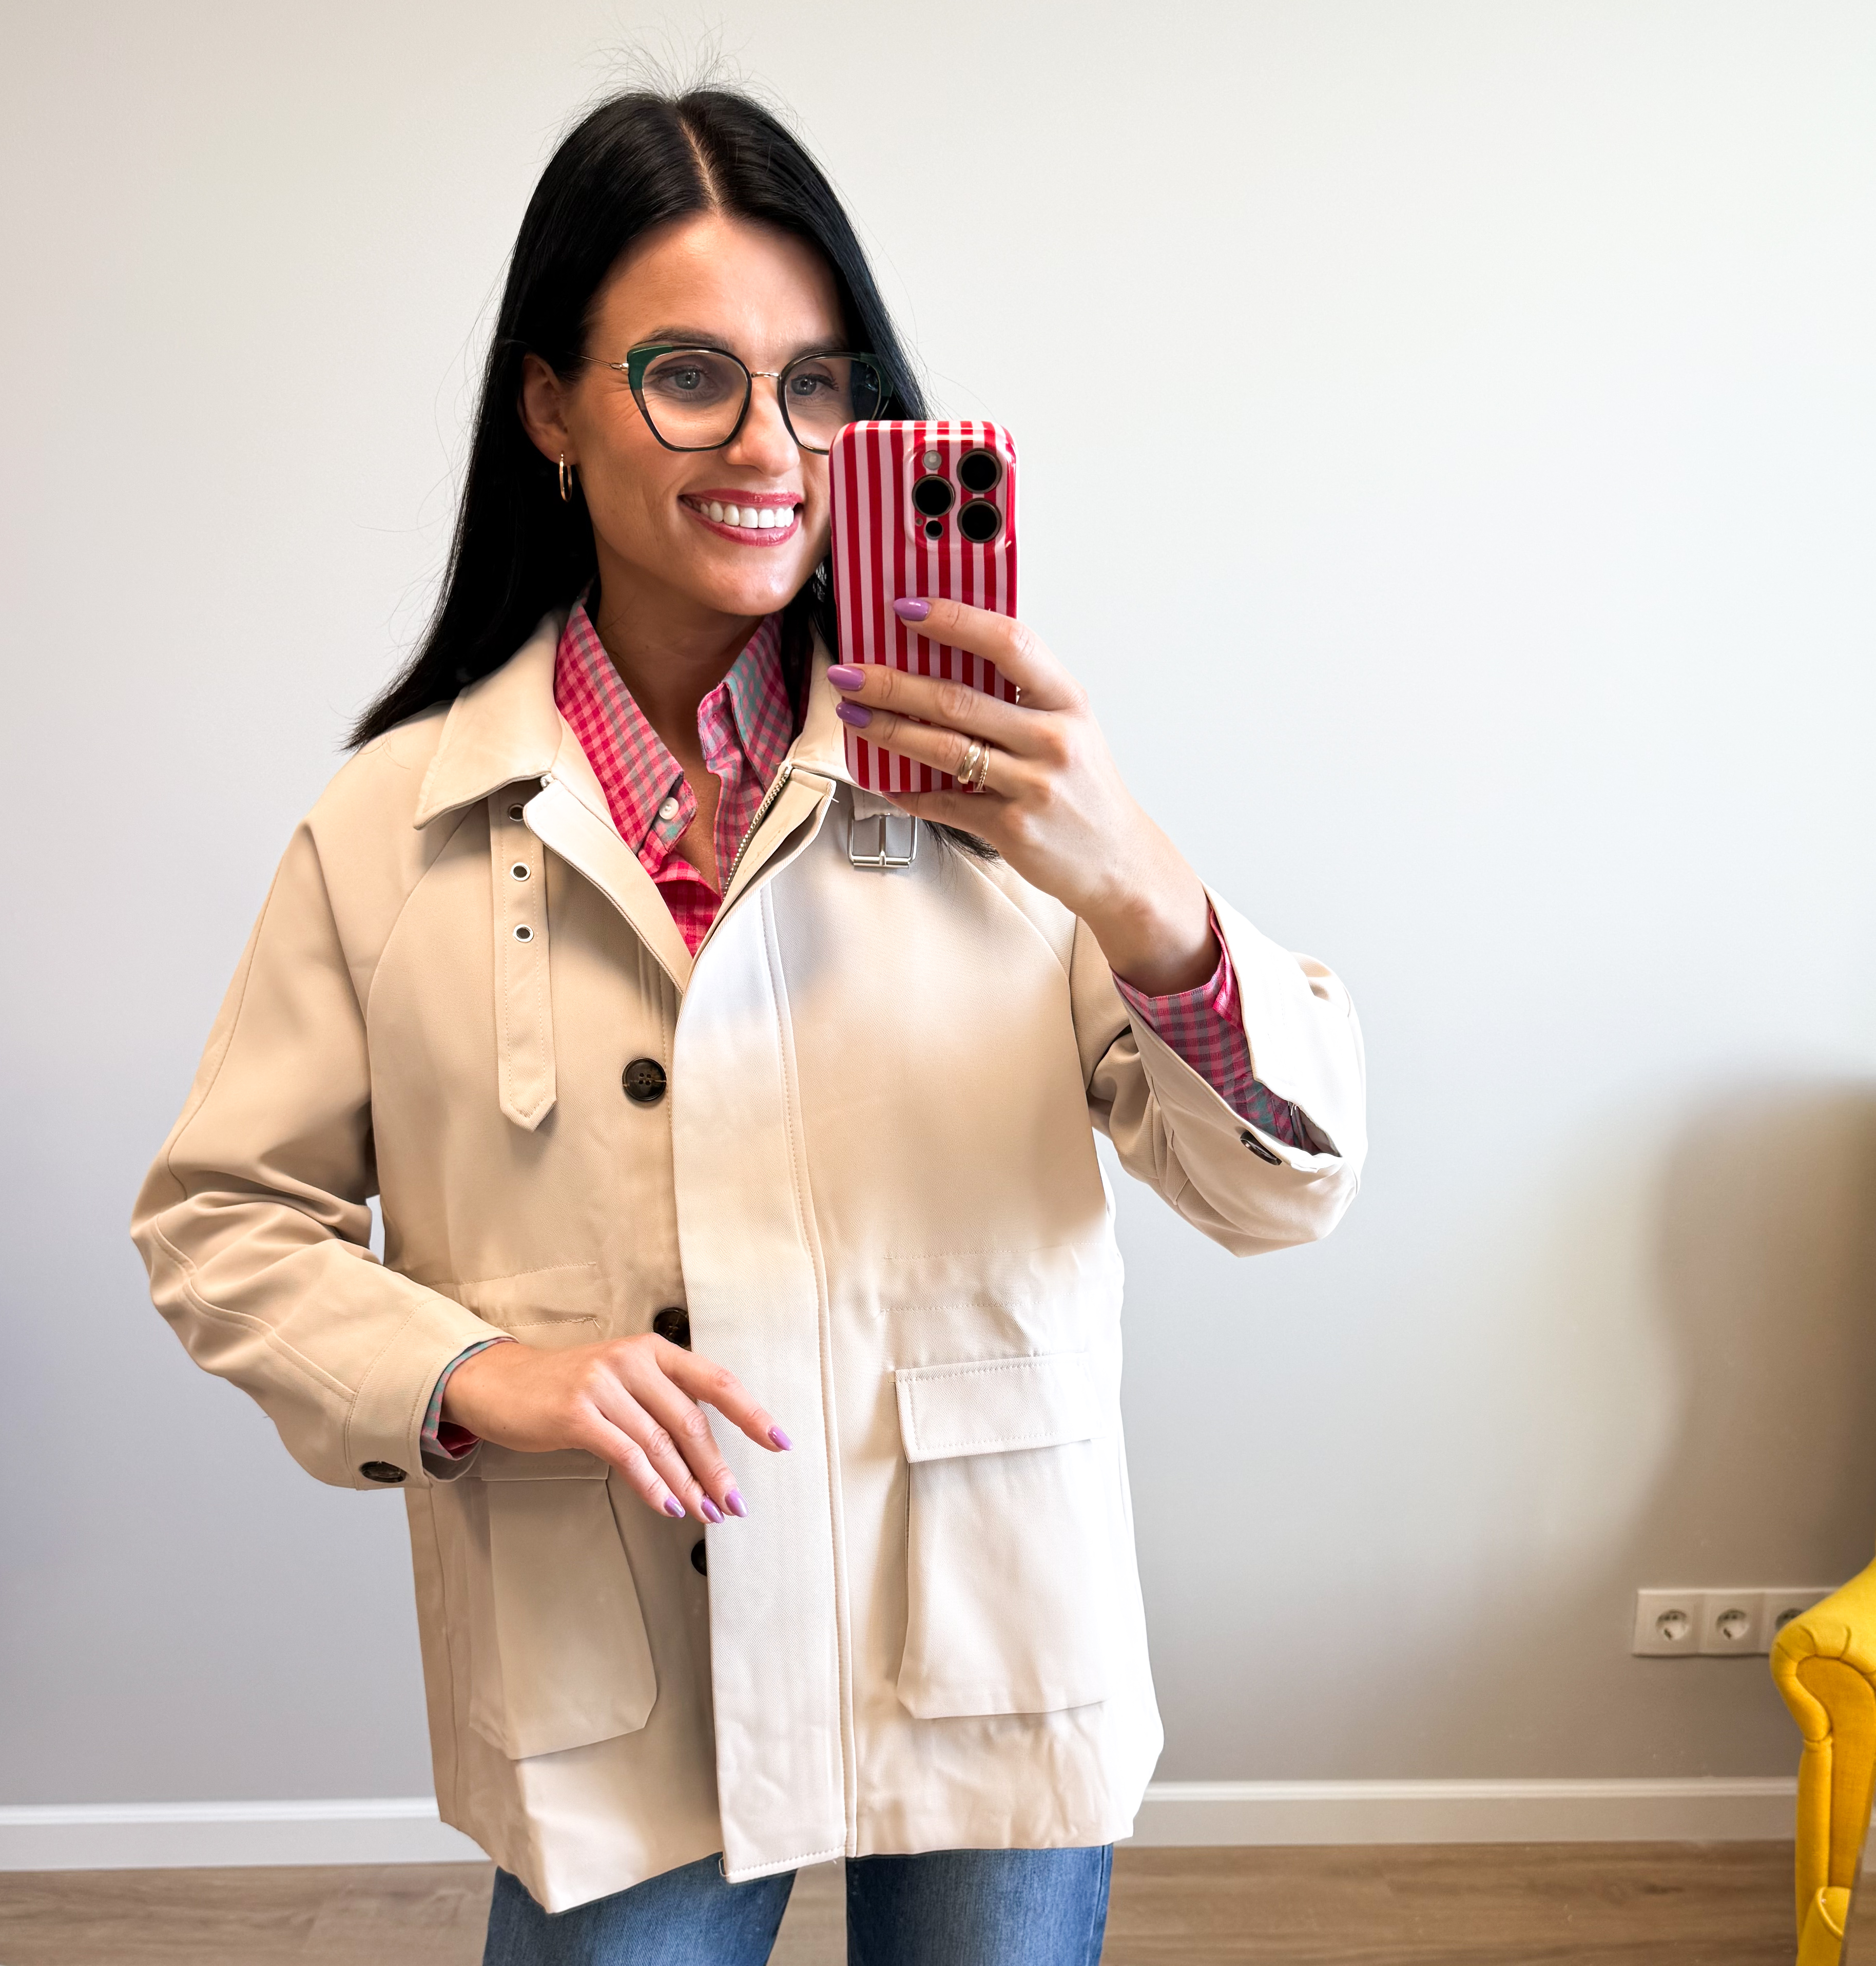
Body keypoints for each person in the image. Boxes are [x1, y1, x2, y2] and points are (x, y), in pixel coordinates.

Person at [131, 86, 1367, 1966]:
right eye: (691, 376)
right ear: (550, 408)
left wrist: (1138, 883)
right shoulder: (391, 827)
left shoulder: (1012, 794)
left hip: (984, 1637)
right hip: (614, 1666)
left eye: (817, 385)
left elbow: (1282, 1190)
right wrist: (471, 1371)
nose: (769, 447)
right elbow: (221, 1223)